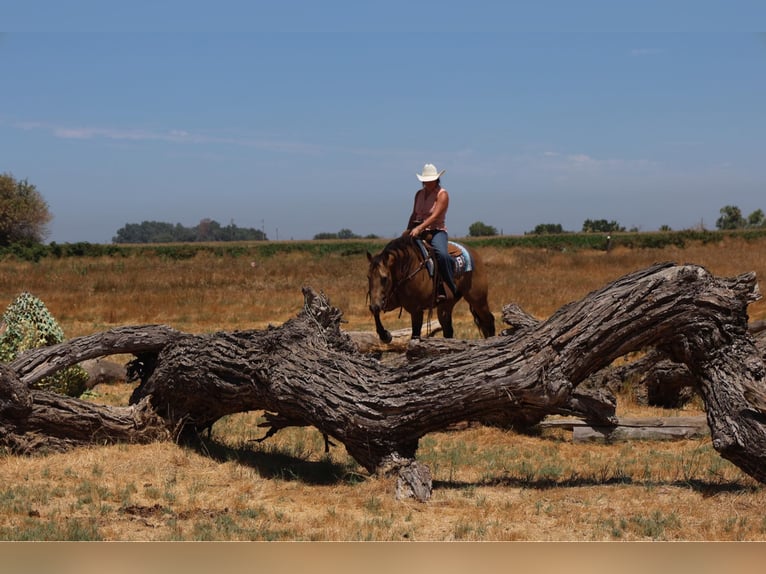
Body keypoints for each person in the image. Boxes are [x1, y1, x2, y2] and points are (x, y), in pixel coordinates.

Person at [407, 163, 460, 301]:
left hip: (436, 231)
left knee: (441, 254)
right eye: (424, 180)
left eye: (429, 179)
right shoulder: (419, 194)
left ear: (436, 179)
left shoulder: (442, 195)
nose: (426, 182)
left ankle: (449, 286)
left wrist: (419, 228)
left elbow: (435, 216)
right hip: (417, 230)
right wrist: (408, 230)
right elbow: (414, 214)